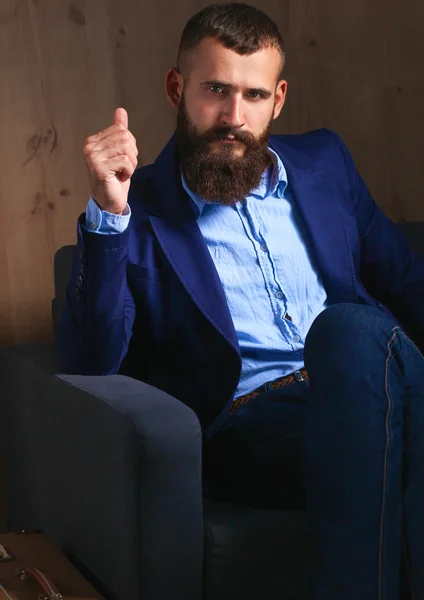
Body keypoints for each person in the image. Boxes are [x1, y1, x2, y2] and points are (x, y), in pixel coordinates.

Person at [60, 3, 424, 598]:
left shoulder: (325, 161)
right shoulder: (139, 206)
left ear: (278, 100)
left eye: (254, 96)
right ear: (177, 88)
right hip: (254, 425)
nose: (234, 116)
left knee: (373, 367)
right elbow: (91, 364)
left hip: (372, 390)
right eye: (216, 90)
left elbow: (407, 281)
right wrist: (108, 214)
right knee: (349, 331)